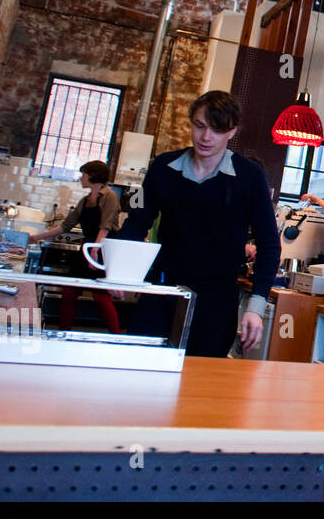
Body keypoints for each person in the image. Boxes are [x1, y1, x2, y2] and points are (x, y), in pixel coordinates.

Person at [115, 91, 281, 357]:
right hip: (161, 289)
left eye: (217, 130)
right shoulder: (162, 167)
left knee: (201, 385)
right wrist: (120, 271)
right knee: (140, 371)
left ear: (232, 131)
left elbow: (269, 244)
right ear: (190, 122)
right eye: (200, 126)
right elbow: (136, 221)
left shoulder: (250, 176)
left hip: (217, 300)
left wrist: (255, 307)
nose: (206, 137)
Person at [28, 160, 122, 334]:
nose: (81, 177)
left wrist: (95, 250)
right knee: (69, 291)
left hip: (102, 249)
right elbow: (65, 226)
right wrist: (35, 238)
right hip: (88, 248)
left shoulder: (109, 196)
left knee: (101, 297)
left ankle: (117, 337)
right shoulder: (85, 200)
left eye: (84, 174)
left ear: (93, 175)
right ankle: (63, 333)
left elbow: (106, 226)